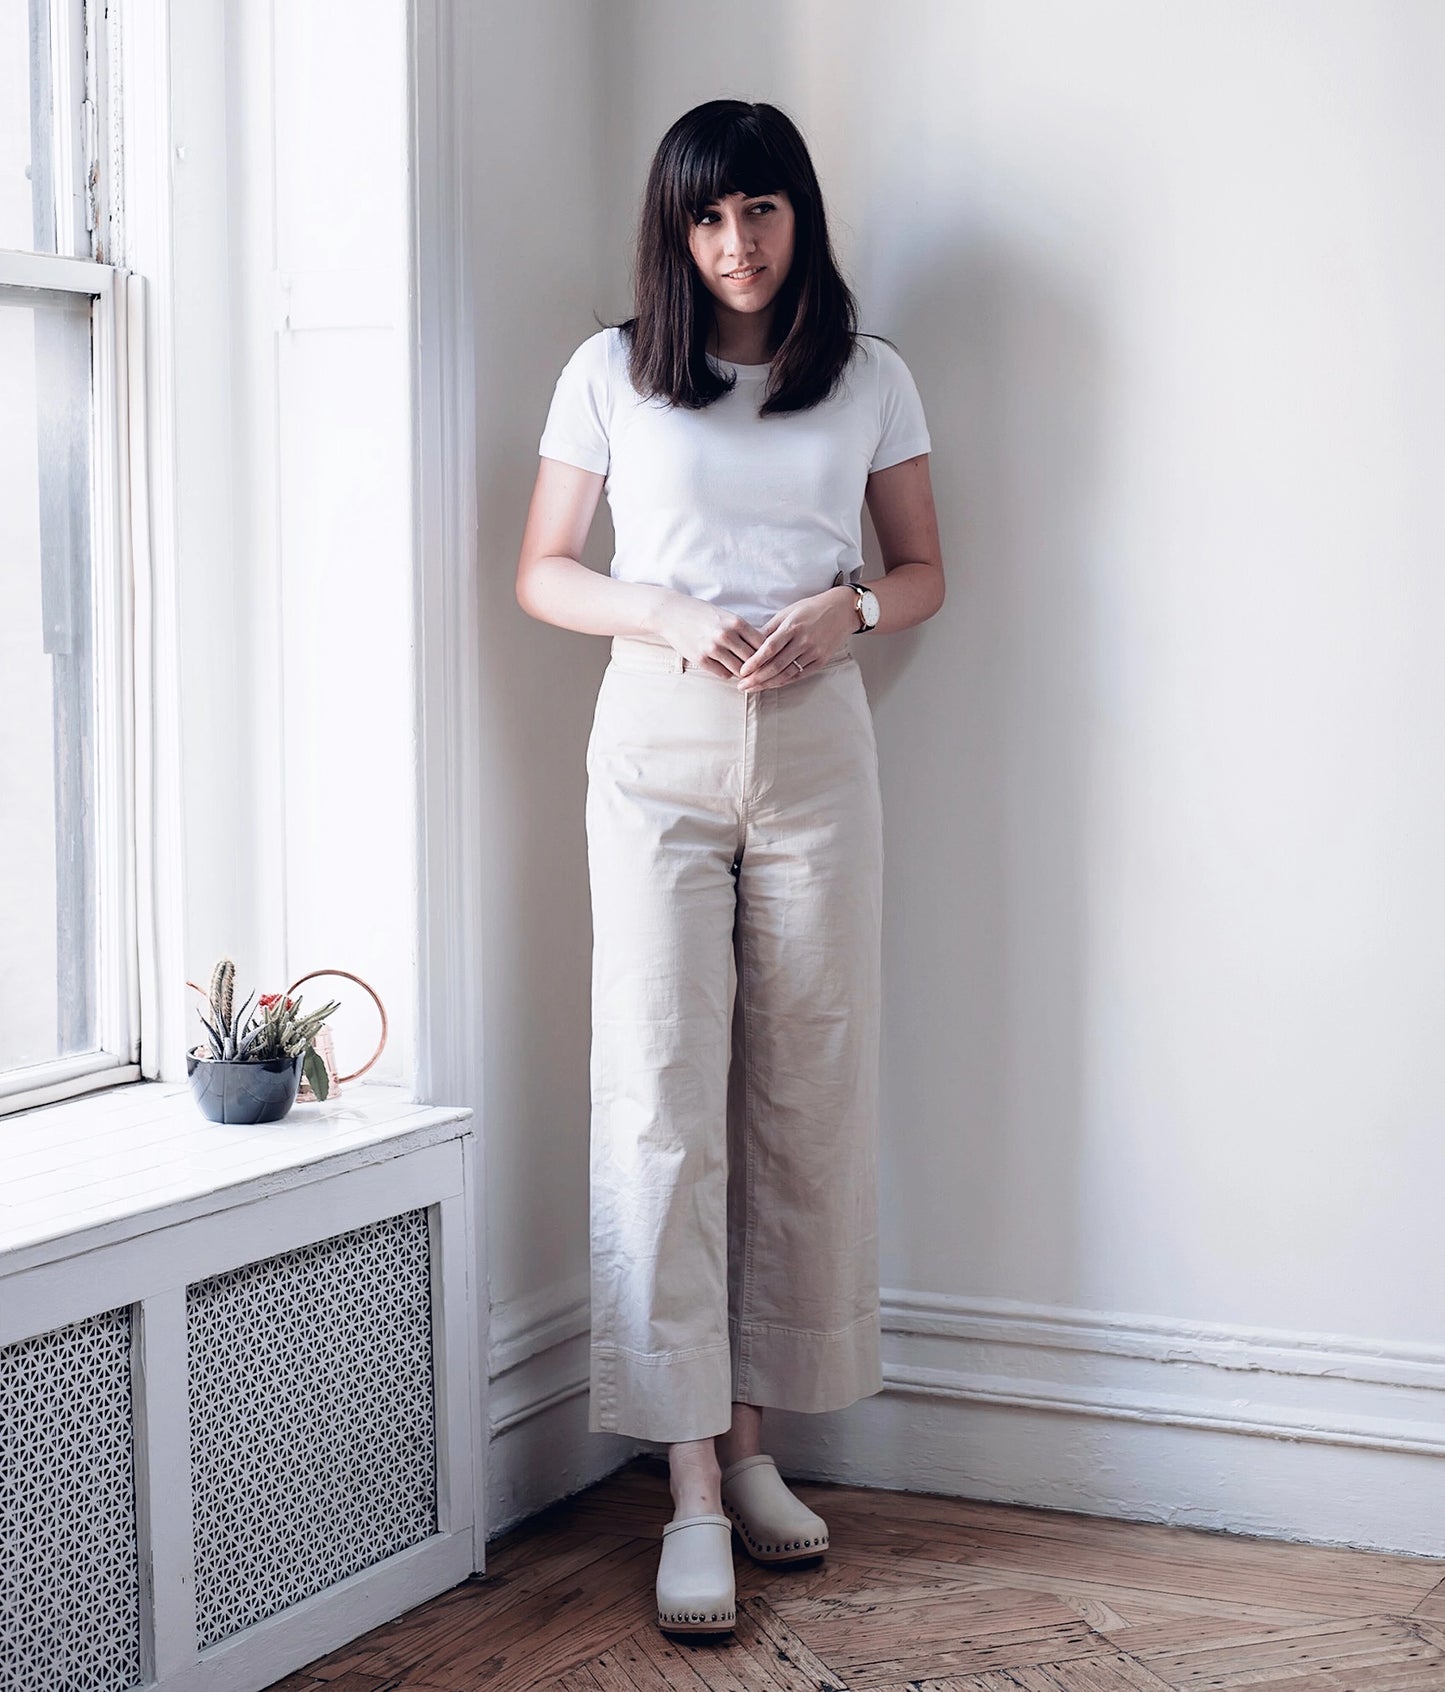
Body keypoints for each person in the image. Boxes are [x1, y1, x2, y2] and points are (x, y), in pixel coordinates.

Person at [515, 98, 944, 1635]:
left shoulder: (868, 378)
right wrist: (661, 613)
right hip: (657, 750)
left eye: (759, 212)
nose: (735, 245)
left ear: (796, 219)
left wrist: (855, 616)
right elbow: (544, 571)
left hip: (822, 745)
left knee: (800, 1089)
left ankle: (758, 1442)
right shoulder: (611, 371)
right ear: (672, 231)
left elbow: (920, 568)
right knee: (658, 1086)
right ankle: (688, 1480)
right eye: (706, 219)